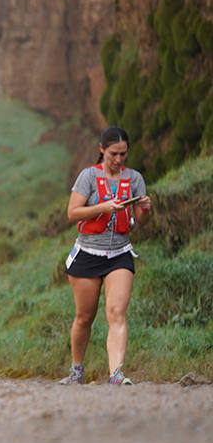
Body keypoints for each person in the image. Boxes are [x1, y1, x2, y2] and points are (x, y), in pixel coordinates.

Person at [61, 126, 152, 385]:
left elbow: (143, 222)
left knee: (116, 312)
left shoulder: (134, 178)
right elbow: (72, 213)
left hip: (120, 254)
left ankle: (116, 374)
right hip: (88, 253)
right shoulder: (88, 176)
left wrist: (145, 209)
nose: (119, 160)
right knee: (85, 317)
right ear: (102, 149)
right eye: (114, 153)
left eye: (123, 154)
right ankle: (76, 369)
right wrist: (102, 207)